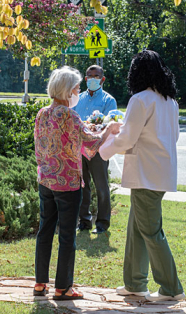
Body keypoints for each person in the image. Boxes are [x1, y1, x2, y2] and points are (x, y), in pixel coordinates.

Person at [99, 50, 184, 302]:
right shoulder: (169, 100)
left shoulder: (140, 99)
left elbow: (128, 138)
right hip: (159, 173)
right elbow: (167, 136)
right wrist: (121, 129)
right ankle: (135, 282)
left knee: (150, 231)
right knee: (137, 229)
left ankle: (171, 287)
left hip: (146, 174)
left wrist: (102, 150)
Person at [33, 66, 121, 300]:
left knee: (44, 232)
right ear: (67, 90)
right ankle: (63, 287)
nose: (79, 91)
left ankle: (40, 283)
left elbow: (43, 146)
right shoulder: (69, 115)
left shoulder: (42, 113)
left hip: (46, 180)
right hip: (68, 183)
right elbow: (91, 144)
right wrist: (108, 130)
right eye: (77, 87)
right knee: (67, 236)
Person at [72, 65, 118, 234]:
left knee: (101, 186)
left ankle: (102, 223)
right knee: (82, 186)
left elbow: (110, 126)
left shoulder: (108, 100)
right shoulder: (77, 98)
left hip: (98, 150)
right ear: (85, 79)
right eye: (89, 76)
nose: (92, 79)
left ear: (102, 79)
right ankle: (84, 221)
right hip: (80, 148)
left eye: (96, 76)